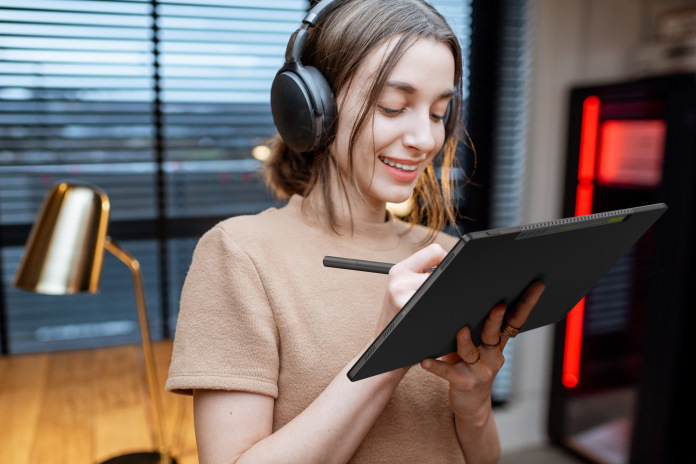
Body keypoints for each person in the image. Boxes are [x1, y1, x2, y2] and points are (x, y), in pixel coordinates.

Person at [165, 0, 545, 463]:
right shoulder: (241, 254)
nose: (425, 140)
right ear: (315, 107)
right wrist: (392, 350)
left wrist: (474, 404)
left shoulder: (446, 255)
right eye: (393, 106)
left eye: (437, 112)